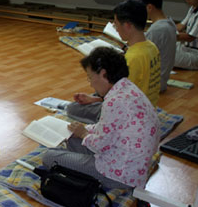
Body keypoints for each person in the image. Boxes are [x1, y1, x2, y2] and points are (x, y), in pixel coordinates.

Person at [43, 47, 159, 190]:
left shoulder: (114, 101)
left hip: (118, 174)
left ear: (103, 74)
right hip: (131, 165)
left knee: (49, 156)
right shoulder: (128, 88)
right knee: (72, 139)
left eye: (90, 77)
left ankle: (81, 173)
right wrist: (84, 129)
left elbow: (100, 145)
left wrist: (84, 133)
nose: (90, 83)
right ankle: (76, 165)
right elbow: (106, 128)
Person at [66, 0, 160, 123]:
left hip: (131, 112)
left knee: (72, 108)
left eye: (116, 24)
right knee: (99, 89)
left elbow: (121, 96)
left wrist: (94, 100)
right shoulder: (152, 47)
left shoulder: (133, 58)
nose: (115, 28)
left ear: (127, 25)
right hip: (148, 105)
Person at [136, 0, 177, 92]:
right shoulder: (169, 22)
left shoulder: (157, 29)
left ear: (149, 7)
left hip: (152, 83)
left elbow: (141, 59)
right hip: (161, 80)